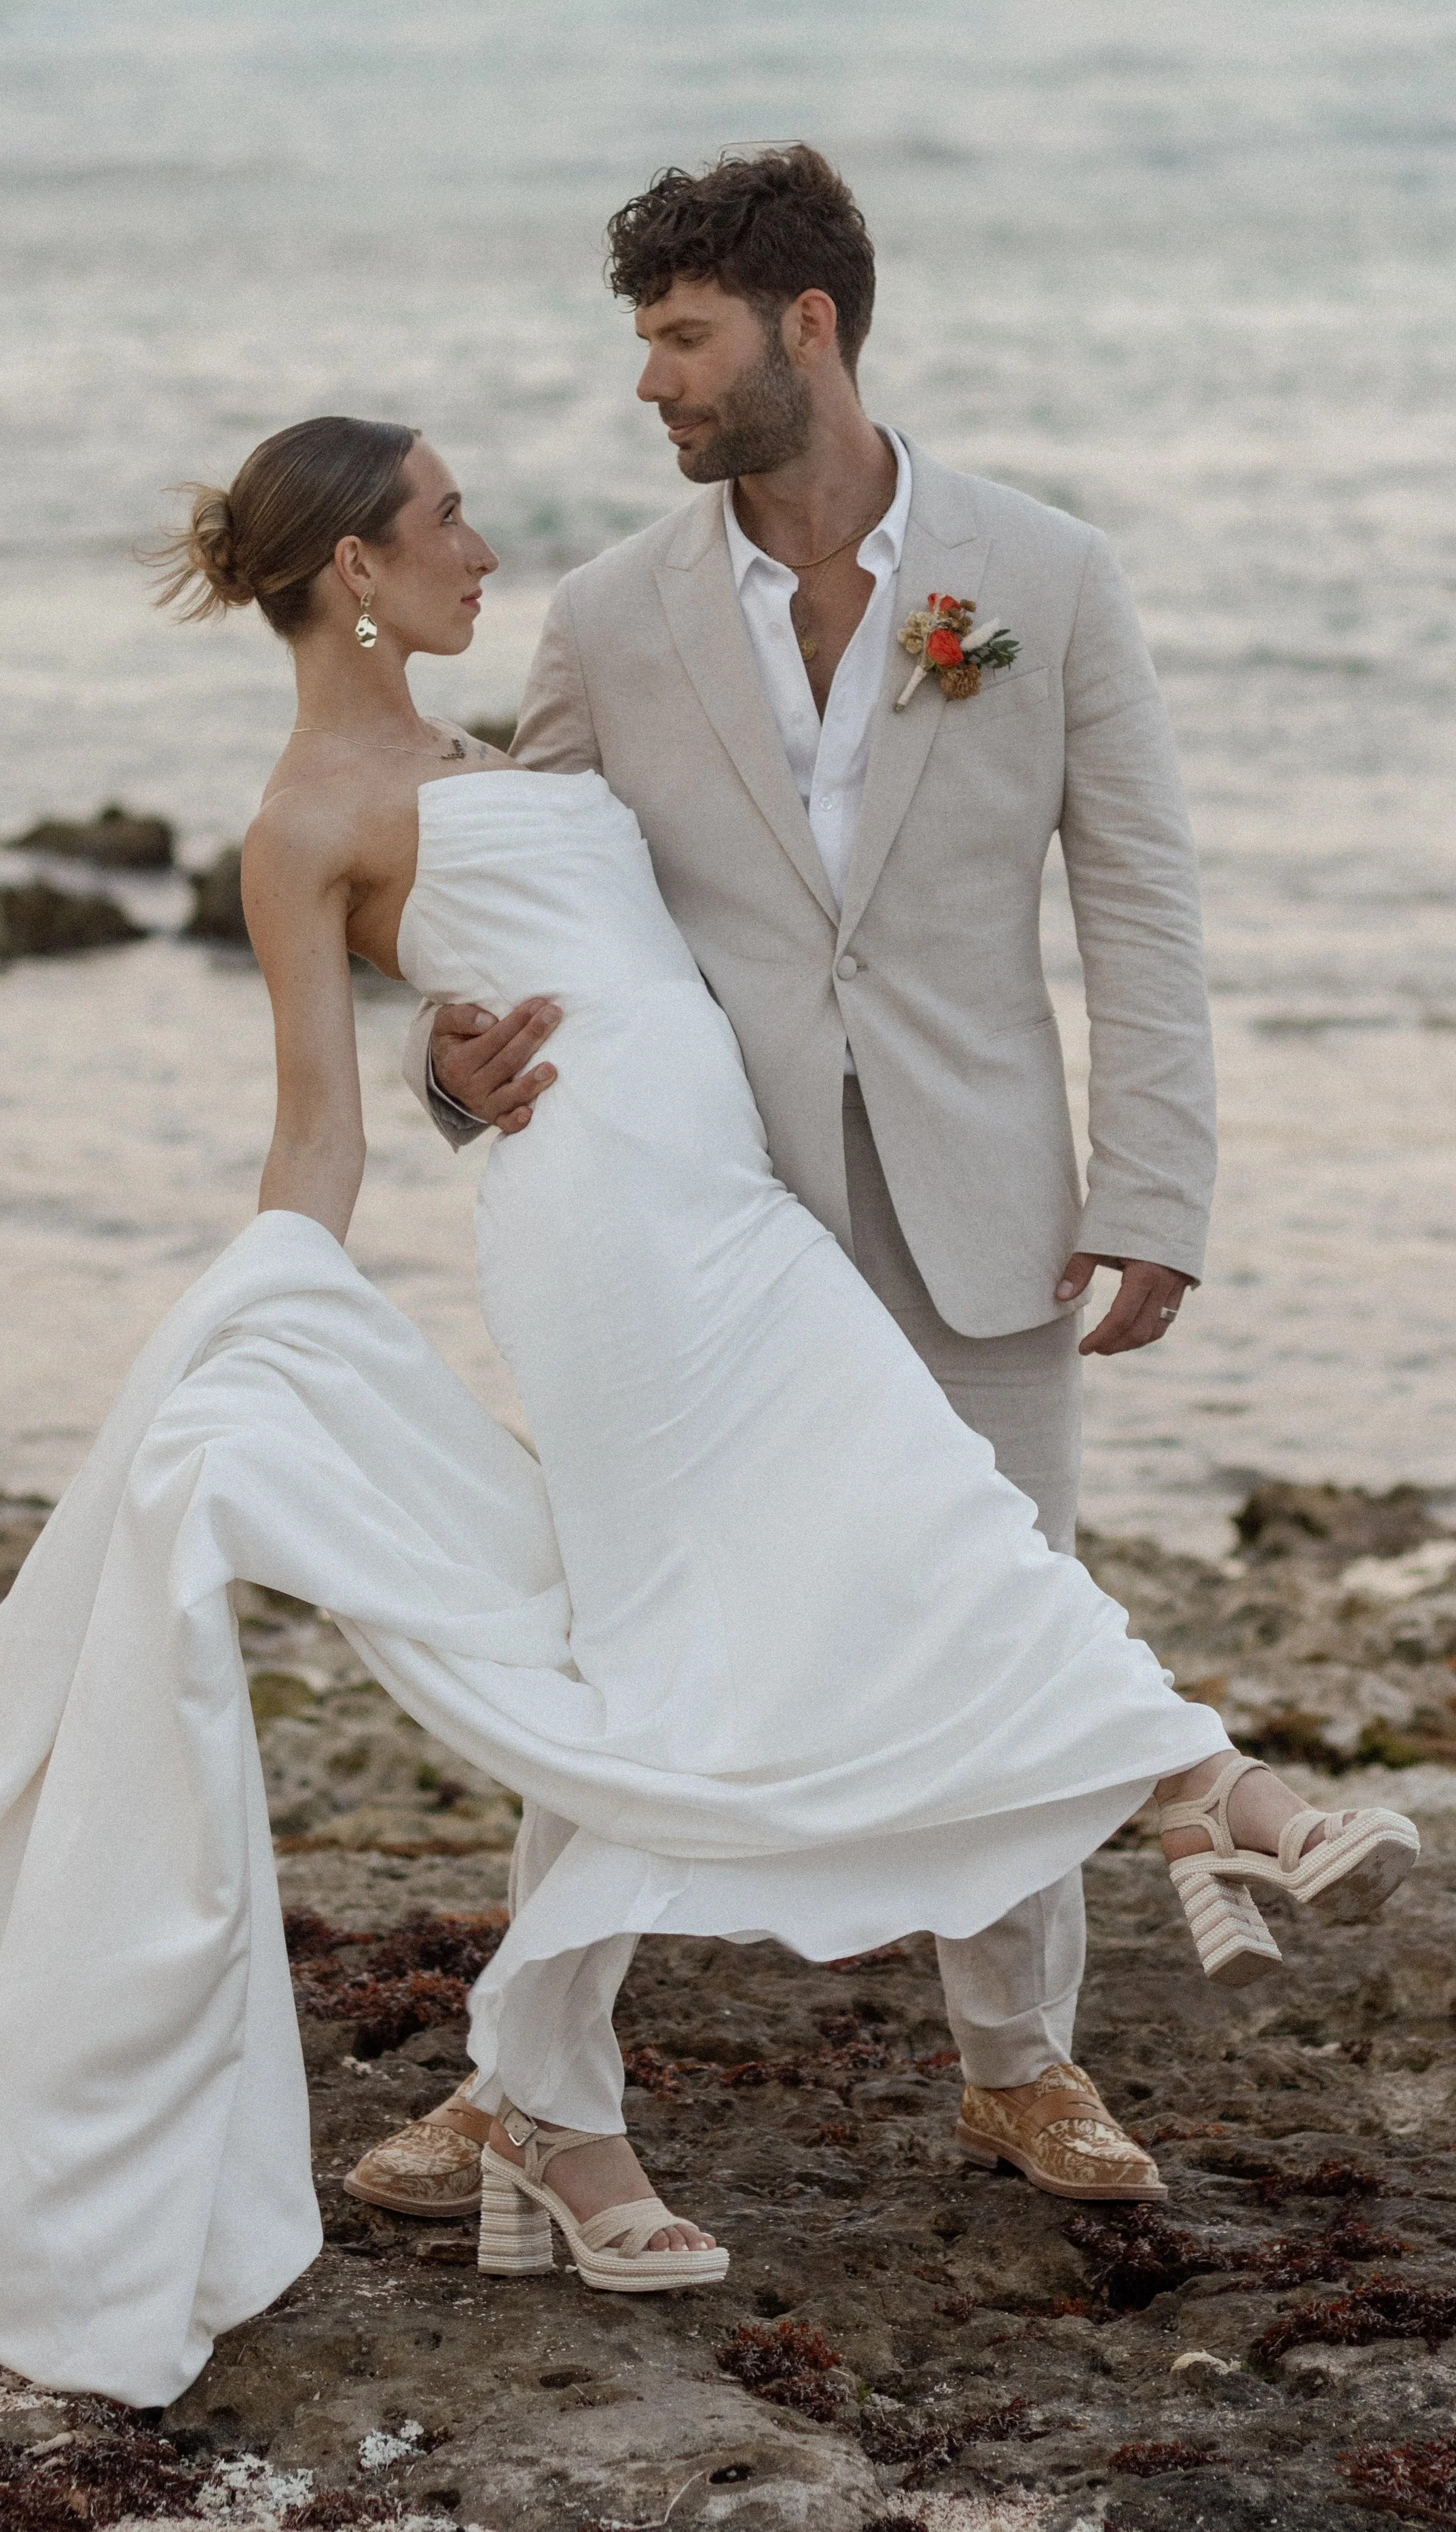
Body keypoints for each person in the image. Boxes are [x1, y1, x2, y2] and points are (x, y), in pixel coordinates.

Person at [0, 410, 1418, 2412]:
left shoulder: (495, 751)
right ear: (353, 567)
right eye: (443, 522)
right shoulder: (307, 820)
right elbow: (319, 1127)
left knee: (859, 1543)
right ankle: (1195, 1792)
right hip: (612, 1237)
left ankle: (592, 2087)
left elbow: (623, 922)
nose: (481, 546)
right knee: (803, 1564)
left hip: (745, 1198)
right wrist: (268, 1310)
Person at [361, 143, 1221, 2221]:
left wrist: (1155, 1187)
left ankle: (1017, 2066)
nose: (648, 384)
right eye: (645, 340)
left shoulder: (1045, 573)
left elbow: (1138, 900)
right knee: (639, 1630)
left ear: (804, 326)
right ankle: (517, 2079)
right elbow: (508, 882)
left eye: (679, 338)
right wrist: (452, 1065)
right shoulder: (615, 614)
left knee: (1003, 1610)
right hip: (698, 1209)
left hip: (978, 1202)